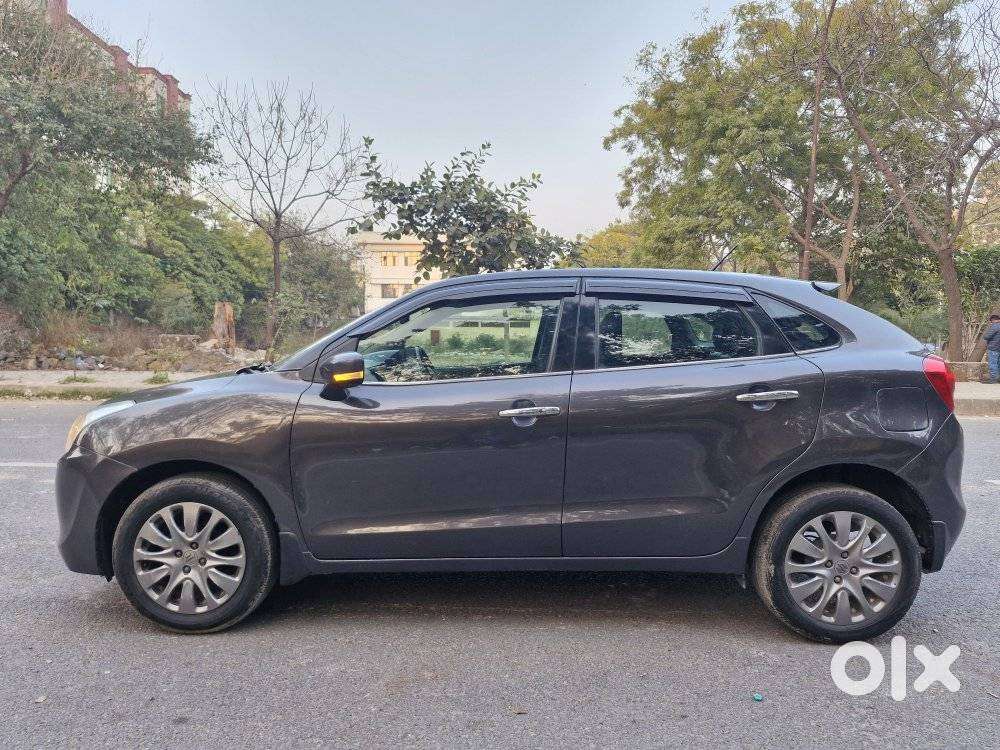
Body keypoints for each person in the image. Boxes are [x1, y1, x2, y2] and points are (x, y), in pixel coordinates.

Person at [985, 313, 1000, 384]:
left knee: (993, 364)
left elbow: (987, 336)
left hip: (993, 348)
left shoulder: (995, 326)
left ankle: (993, 379)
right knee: (998, 364)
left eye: (991, 321)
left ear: (993, 320)